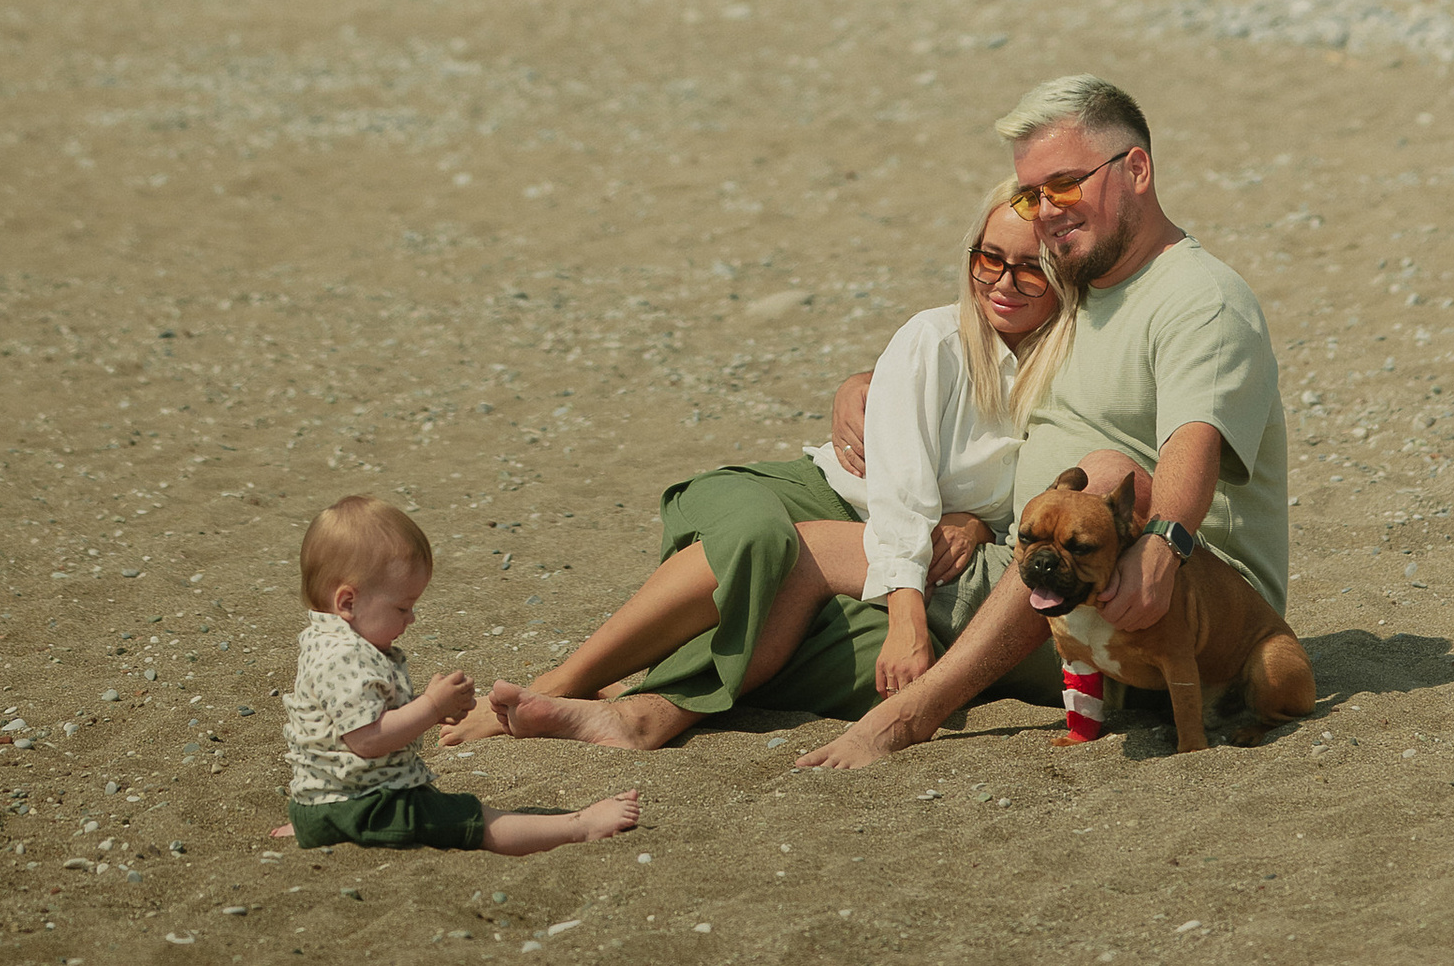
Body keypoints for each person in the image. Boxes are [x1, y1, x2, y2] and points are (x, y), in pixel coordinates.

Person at [444, 184, 1072, 752]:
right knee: (761, 541)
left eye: (1030, 269)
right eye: (989, 259)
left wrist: (980, 524)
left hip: (879, 546)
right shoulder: (934, 338)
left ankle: (632, 701)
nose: (1003, 283)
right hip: (813, 494)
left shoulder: (1066, 373)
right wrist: (907, 616)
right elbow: (902, 489)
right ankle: (562, 683)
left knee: (846, 650)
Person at [795, 70, 1291, 771]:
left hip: (1171, 597)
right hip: (1029, 550)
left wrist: (1163, 546)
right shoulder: (1085, 280)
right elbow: (979, 352)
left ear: (1137, 169)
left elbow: (1192, 444)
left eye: (1063, 185)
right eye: (1032, 194)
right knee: (772, 554)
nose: (1046, 212)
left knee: (1104, 477)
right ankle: (651, 711)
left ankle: (910, 716)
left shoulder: (1200, 301)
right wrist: (866, 382)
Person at [275, 494, 640, 852]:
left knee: (429, 803)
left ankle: (322, 821)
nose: (411, 618)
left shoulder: (326, 642)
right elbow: (367, 740)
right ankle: (578, 827)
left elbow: (357, 721)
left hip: (330, 799)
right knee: (474, 818)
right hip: (366, 805)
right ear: (348, 602)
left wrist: (429, 708)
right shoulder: (345, 657)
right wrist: (431, 707)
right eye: (402, 607)